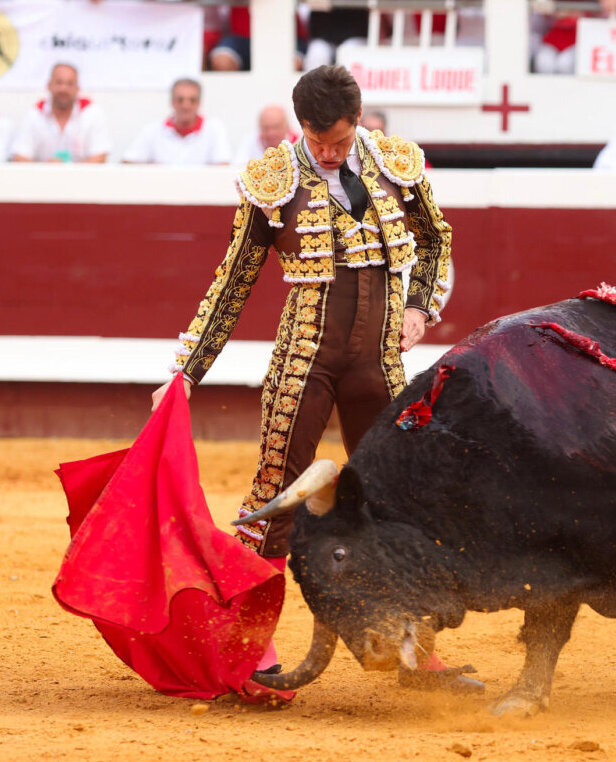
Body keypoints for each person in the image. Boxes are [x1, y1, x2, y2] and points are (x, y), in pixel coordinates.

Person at [152, 65, 472, 691]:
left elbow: (436, 240)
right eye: (317, 141)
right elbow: (234, 281)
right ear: (301, 125)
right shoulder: (274, 179)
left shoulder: (395, 164)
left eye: (339, 141)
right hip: (305, 362)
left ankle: (415, 649)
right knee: (275, 496)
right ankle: (252, 647)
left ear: (359, 121)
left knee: (398, 500)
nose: (328, 153)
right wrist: (187, 371)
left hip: (379, 363)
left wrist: (419, 307)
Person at [10, 62, 112, 163]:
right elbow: (19, 156)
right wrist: (46, 169)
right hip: (43, 174)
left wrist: (69, 170)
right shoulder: (34, 115)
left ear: (77, 88)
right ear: (49, 85)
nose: (64, 88)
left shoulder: (92, 113)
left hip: (81, 174)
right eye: (59, 82)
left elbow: (100, 156)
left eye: (70, 83)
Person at [123, 78, 231, 166]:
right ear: (172, 102)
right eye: (180, 100)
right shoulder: (152, 130)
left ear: (199, 103)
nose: (186, 106)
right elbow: (127, 164)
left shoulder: (214, 129)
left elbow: (223, 167)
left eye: (192, 100)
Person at [233, 104, 300, 166]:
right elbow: (238, 168)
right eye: (266, 128)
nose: (271, 133)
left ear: (287, 126)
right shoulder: (250, 142)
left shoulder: (299, 142)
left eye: (276, 127)